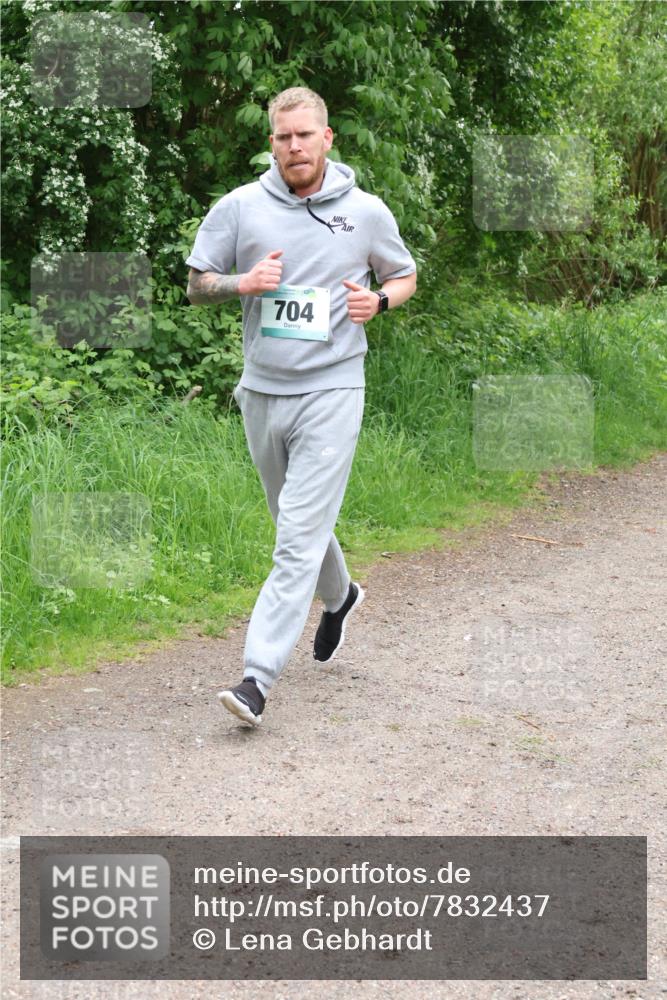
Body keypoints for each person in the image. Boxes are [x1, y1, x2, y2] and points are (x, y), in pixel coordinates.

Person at [185, 86, 417, 726]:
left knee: (294, 540)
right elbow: (197, 282)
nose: (295, 146)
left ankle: (256, 678)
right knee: (294, 519)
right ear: (272, 143)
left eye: (305, 135)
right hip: (263, 389)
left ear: (327, 137)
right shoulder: (240, 209)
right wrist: (243, 283)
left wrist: (383, 302)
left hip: (335, 387)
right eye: (283, 137)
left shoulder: (366, 212)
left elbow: (403, 274)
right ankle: (340, 597)